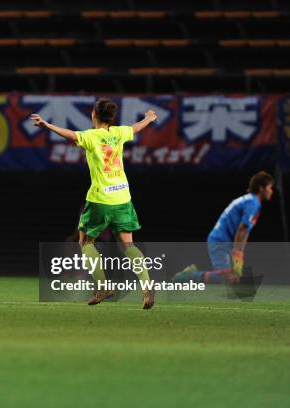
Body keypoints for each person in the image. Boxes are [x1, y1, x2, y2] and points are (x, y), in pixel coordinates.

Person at [30, 98, 157, 309]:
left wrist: (46, 125)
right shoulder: (118, 133)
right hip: (123, 196)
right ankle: (146, 285)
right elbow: (135, 128)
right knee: (128, 245)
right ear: (111, 117)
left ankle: (103, 286)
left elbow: (70, 134)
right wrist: (149, 119)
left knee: (85, 243)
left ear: (93, 114)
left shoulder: (91, 137)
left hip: (100, 199)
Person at [173, 171, 274, 284]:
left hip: (223, 240)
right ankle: (188, 276)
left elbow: (245, 231)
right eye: (270, 187)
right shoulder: (253, 202)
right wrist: (238, 256)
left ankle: (192, 274)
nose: (271, 191)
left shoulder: (250, 200)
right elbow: (242, 229)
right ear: (261, 188)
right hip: (220, 240)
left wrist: (239, 255)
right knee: (226, 279)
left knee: (232, 279)